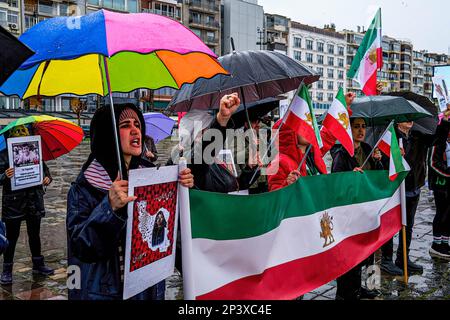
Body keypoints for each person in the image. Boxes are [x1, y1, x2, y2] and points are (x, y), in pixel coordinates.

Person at [66, 104, 194, 300]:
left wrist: (180, 190)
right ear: (108, 134)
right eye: (125, 125)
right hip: (106, 292)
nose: (135, 130)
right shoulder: (83, 188)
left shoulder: (151, 178)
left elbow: (165, 234)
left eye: (138, 124)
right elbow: (81, 248)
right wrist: (109, 209)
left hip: (148, 291)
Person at [380, 105, 450, 275]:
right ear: (397, 121)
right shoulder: (391, 136)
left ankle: (403, 258)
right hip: (396, 188)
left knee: (409, 225)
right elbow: (383, 162)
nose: (410, 119)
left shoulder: (418, 136)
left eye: (411, 116)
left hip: (414, 186)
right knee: (390, 225)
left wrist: (446, 122)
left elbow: (436, 140)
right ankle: (386, 261)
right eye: (405, 116)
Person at [332, 117, 385, 300]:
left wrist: (378, 161)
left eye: (363, 127)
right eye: (356, 127)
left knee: (365, 254)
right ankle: (344, 293)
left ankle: (359, 287)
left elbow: (377, 177)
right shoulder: (341, 154)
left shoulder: (368, 150)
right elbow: (335, 183)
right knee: (348, 256)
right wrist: (350, 177)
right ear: (349, 129)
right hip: (349, 214)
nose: (361, 130)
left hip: (367, 210)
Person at [268, 92, 356, 191]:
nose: (308, 130)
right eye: (303, 127)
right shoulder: (278, 162)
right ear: (290, 133)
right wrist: (287, 185)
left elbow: (330, 133)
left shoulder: (313, 152)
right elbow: (274, 197)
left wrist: (344, 105)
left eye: (309, 126)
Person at [0, 125, 54, 286]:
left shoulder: (35, 150)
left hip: (34, 200)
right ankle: (7, 270)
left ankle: (38, 265)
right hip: (14, 201)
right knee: (12, 236)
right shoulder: (4, 154)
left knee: (34, 234)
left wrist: (47, 179)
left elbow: (45, 171)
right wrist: (5, 175)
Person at [189, 93, 261, 193]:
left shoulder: (219, 160)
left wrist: (250, 168)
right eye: (206, 130)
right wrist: (222, 119)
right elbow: (203, 153)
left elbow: (236, 187)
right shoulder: (193, 162)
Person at [428, 122, 450, 259]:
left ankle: (445, 243)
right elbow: (433, 163)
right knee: (441, 213)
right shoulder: (439, 140)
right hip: (441, 184)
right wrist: (448, 173)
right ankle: (437, 244)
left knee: (449, 216)